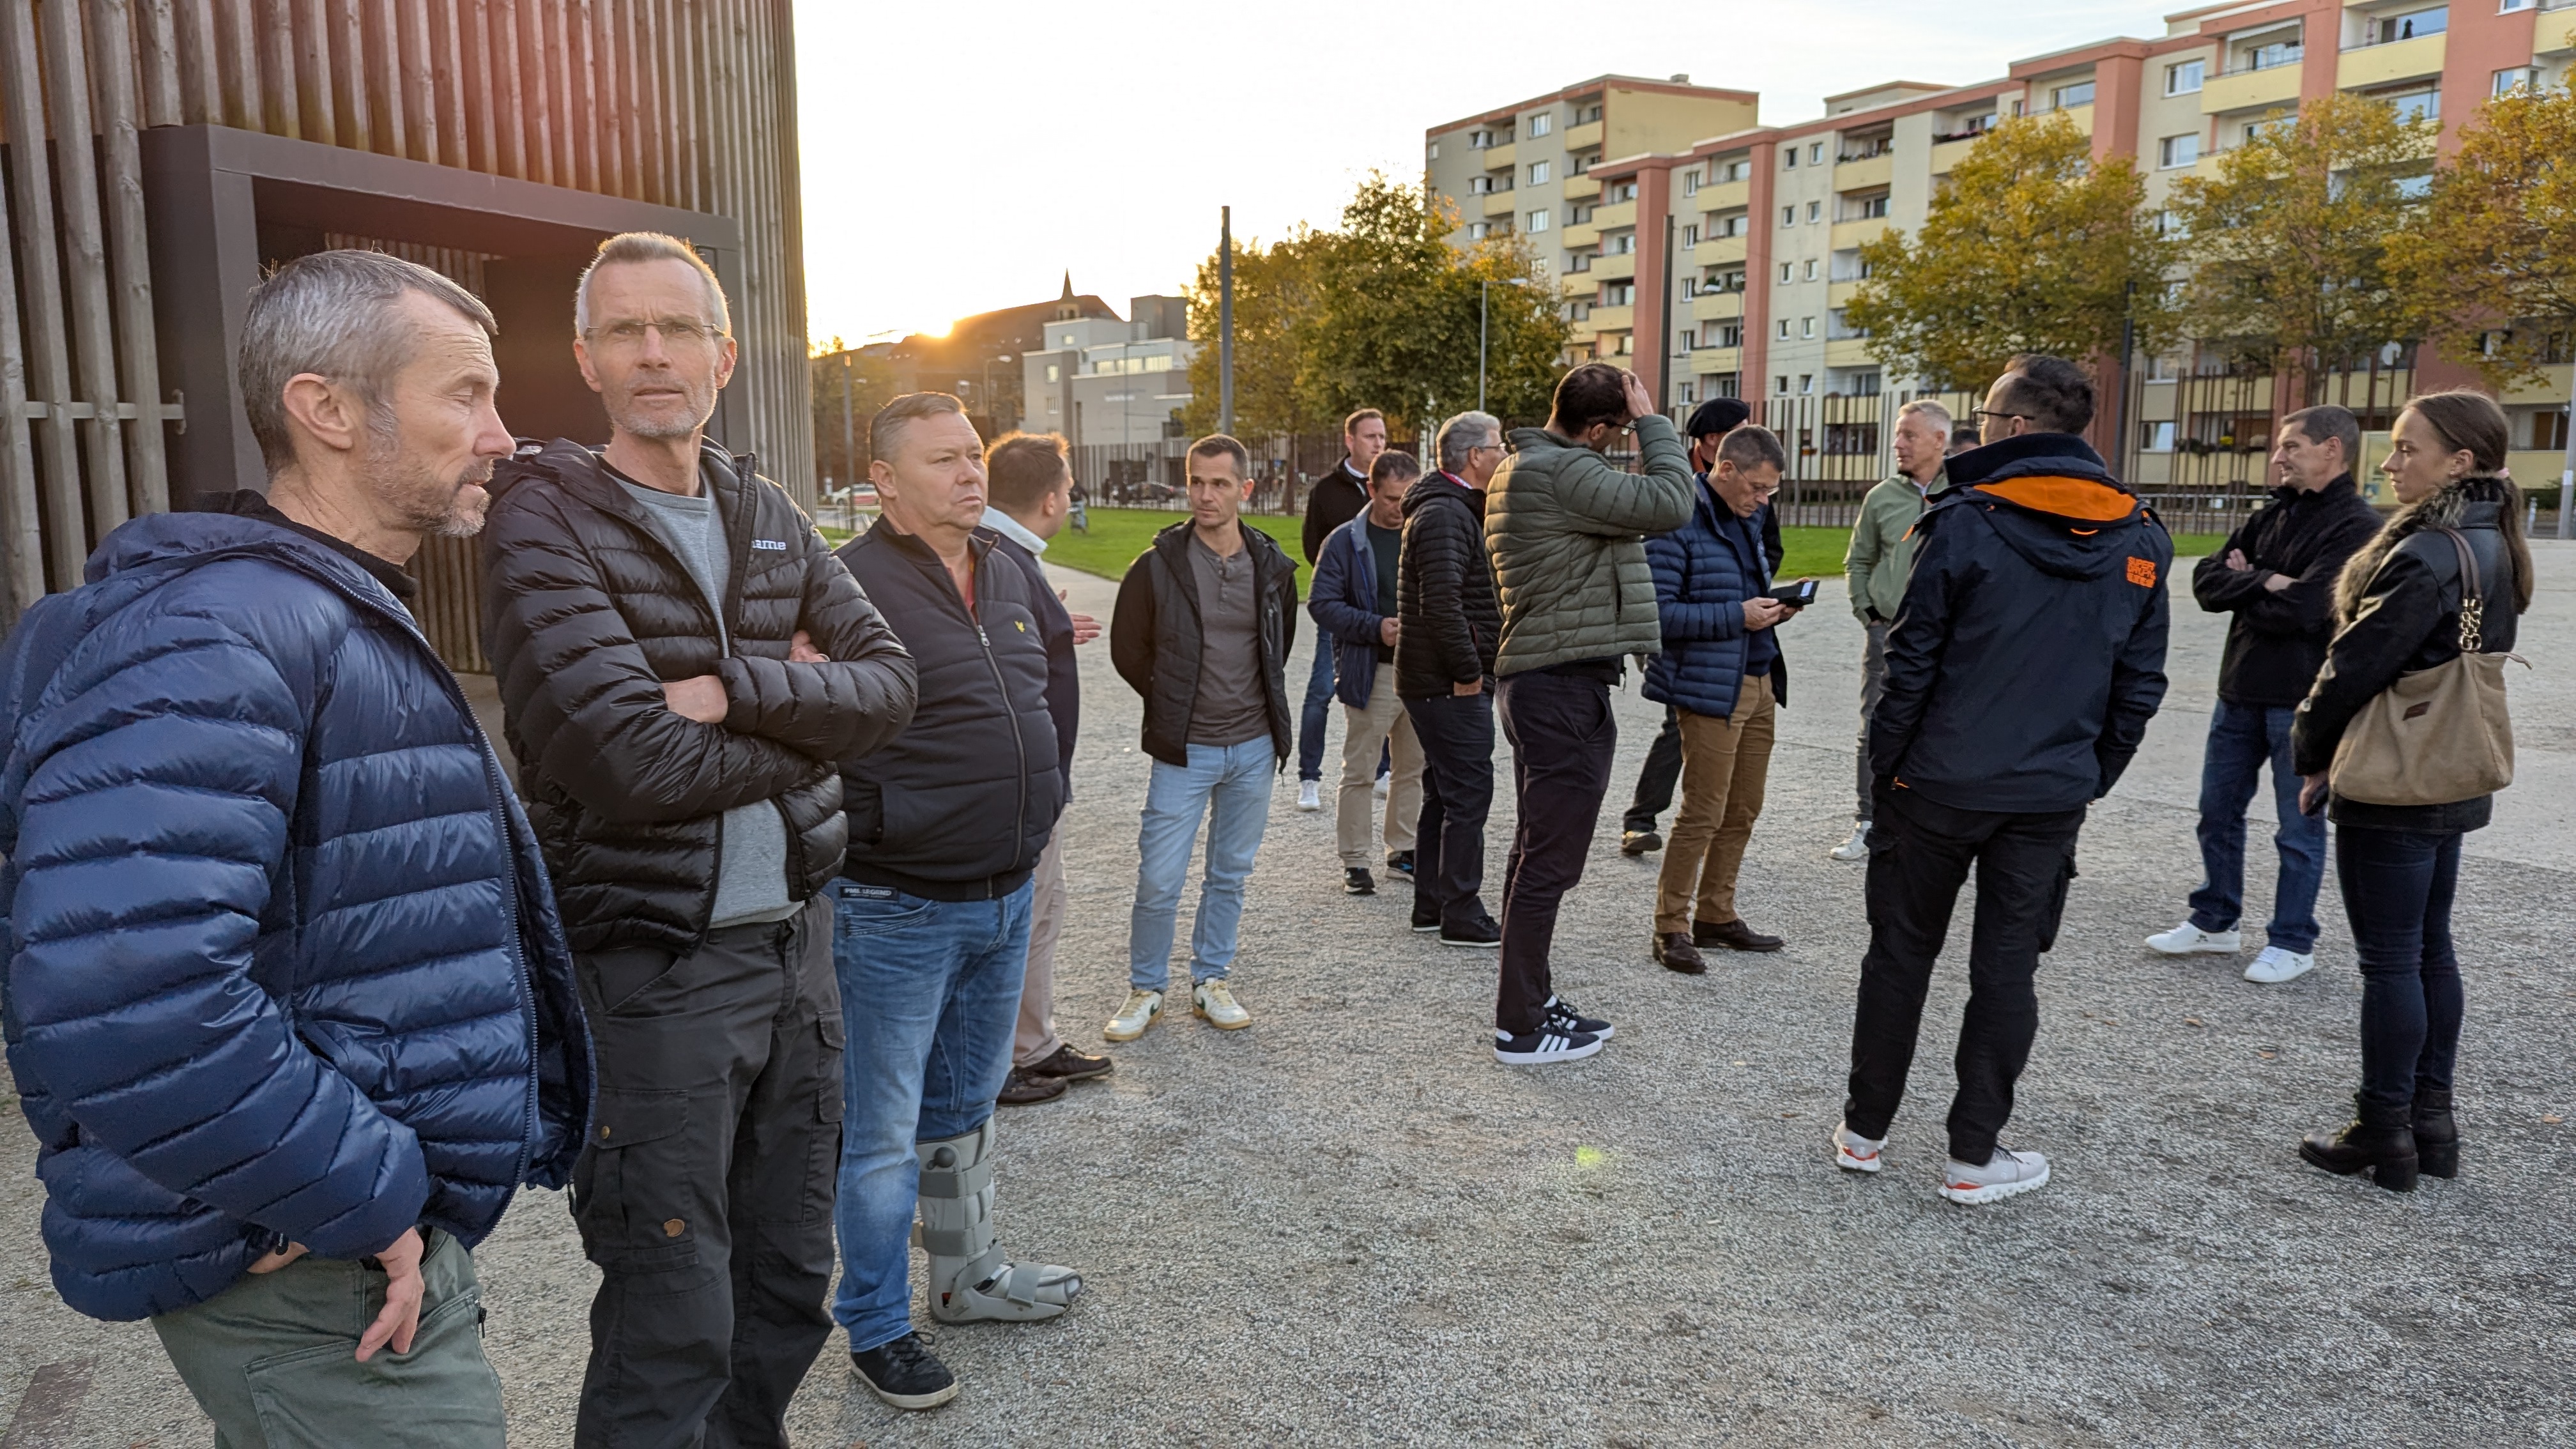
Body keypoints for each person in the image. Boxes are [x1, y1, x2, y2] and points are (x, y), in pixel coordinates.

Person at [0, 250, 591, 1445]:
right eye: (466, 395)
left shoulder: (316, 609)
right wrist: (364, 1197)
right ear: (325, 409)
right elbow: (125, 991)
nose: (502, 436)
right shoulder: (218, 631)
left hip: (322, 1229)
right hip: (310, 1255)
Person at [482, 233, 916, 1445]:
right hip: (658, 971)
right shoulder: (544, 523)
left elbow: (891, 686)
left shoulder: (765, 509)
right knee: (672, 1308)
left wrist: (729, 688)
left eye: (677, 328)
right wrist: (806, 711)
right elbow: (628, 762)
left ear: (724, 357)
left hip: (798, 955)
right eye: (624, 331)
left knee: (785, 1282)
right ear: (586, 359)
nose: (653, 353)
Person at [1834, 354, 2170, 1205]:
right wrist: (2088, 776)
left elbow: (1909, 664)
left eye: (1986, 418)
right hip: (2044, 793)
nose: (1977, 433)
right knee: (2006, 969)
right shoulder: (2141, 535)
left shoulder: (1967, 521)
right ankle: (1972, 1155)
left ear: (2018, 427)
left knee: (1902, 955)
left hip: (1942, 785)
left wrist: (1889, 773)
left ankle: (1865, 1133)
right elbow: (2139, 685)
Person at [826, 392, 1080, 1409]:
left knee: (966, 1111)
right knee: (882, 1135)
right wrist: (881, 823)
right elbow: (807, 728)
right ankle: (876, 1325)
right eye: (944, 460)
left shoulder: (1010, 566)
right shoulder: (843, 585)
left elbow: (1047, 682)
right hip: (896, 906)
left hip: (1005, 893)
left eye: (973, 454)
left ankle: (967, 1279)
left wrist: (1043, 795)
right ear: (885, 482)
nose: (971, 473)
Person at [2290, 390, 2531, 1193]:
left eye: (2406, 448)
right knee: (2430, 948)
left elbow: (2352, 668)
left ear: (2459, 462)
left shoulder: (2425, 553)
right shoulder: (2495, 541)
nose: (2389, 464)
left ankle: (2383, 1129)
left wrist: (2310, 753)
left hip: (2397, 776)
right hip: (2453, 767)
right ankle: (2433, 1123)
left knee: (2391, 960)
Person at [1485, 363, 1694, 1064]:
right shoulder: (1564, 470)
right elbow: (1673, 500)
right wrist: (1654, 424)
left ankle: (1531, 1000)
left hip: (1542, 682)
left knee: (1533, 855)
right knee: (1548, 865)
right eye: (1621, 428)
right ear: (1600, 428)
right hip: (1562, 687)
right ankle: (1520, 1028)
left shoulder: (1524, 467)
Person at [2149, 406, 2382, 984]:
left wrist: (2247, 582)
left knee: (2296, 829)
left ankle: (2292, 940)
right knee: (2216, 812)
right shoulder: (2269, 515)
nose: (2278, 458)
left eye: (2291, 447)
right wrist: (2267, 580)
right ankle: (2215, 920)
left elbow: (2307, 610)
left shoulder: (2358, 526)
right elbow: (2206, 583)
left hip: (2300, 700)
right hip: (2238, 691)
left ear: (2332, 449)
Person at [1106, 434, 1300, 1040]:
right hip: (1184, 750)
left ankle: (1211, 980)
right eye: (1196, 481)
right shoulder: (1156, 566)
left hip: (1253, 748)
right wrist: (1172, 702)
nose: (1205, 495)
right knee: (1159, 878)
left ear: (1246, 489)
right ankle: (1146, 988)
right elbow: (1128, 650)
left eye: (1220, 483)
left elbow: (1279, 647)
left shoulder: (1271, 567)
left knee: (1230, 873)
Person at [979, 432, 1117, 1108]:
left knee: (1041, 912)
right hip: (1018, 786)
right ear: (1052, 499)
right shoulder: (998, 558)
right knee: (1020, 919)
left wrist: (1049, 627)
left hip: (1033, 779)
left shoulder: (1005, 556)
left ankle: (1031, 1042)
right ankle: (998, 1059)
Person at [1642, 424, 1801, 973]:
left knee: (1743, 808)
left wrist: (1775, 608)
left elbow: (1740, 595)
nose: (1763, 501)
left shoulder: (1746, 516)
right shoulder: (1676, 518)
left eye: (1770, 491)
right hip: (1709, 686)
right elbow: (1656, 614)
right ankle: (1671, 926)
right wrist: (1738, 616)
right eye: (1758, 488)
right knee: (1702, 811)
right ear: (1725, 468)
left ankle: (1716, 914)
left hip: (1758, 678)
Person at [1618, 397, 1773, 856]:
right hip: (1691, 633)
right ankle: (1642, 819)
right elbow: (1656, 602)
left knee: (1689, 732)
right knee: (1679, 720)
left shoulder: (1754, 489)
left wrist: (1761, 598)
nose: (1751, 436)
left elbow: (1768, 549)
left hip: (1734, 637)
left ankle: (1660, 823)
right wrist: (1732, 608)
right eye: (1740, 430)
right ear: (1713, 442)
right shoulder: (1675, 486)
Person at [1397, 411, 1507, 949]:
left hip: (1440, 678)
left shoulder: (1455, 506)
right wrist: (1468, 672)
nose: (1505, 453)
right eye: (1498, 445)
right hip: (1447, 680)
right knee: (1468, 794)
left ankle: (1433, 904)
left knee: (1444, 793)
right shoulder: (1444, 512)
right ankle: (1461, 912)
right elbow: (1440, 605)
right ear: (1474, 456)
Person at [1830, 397, 1951, 863]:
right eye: (1898, 434)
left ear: (1939, 440)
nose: (1898, 444)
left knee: (1942, 725)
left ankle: (1932, 828)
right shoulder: (1881, 497)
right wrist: (1870, 614)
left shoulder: (1966, 493)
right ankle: (1869, 822)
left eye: (1909, 435)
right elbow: (1858, 560)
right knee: (1876, 726)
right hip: (1889, 633)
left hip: (1948, 636)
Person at [1310, 449, 1429, 896]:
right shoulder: (1345, 541)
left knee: (1412, 768)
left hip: (1420, 671)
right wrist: (1374, 627)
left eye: (1408, 497)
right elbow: (1322, 604)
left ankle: (1403, 850)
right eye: (1392, 498)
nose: (1400, 507)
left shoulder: (1424, 533)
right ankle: (1356, 860)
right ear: (1371, 490)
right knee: (1360, 770)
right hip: (1372, 670)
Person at [1296, 408, 1390, 811]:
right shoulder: (1326, 491)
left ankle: (1383, 770)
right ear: (1350, 440)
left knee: (1385, 688)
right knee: (1321, 689)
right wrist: (1339, 586)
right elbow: (1313, 547)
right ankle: (1309, 777)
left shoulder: (1393, 484)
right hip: (1339, 608)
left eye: (1382, 436)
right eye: (1370, 436)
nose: (1378, 444)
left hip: (1381, 608)